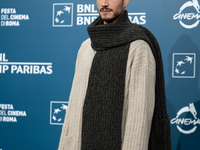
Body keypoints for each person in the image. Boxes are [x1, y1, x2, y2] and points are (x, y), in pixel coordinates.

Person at [58, 0, 172, 149]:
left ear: (126, 1)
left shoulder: (138, 47)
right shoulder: (86, 47)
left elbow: (139, 120)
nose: (104, 3)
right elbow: (74, 108)